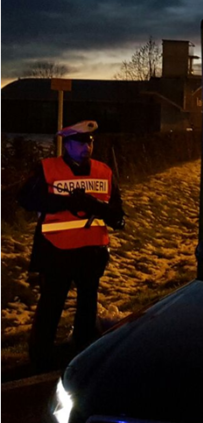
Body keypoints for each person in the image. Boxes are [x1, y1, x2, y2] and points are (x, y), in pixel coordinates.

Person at [17, 120, 125, 372]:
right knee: (51, 306)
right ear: (67, 144)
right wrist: (63, 202)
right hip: (57, 251)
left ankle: (84, 352)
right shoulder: (47, 168)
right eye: (80, 142)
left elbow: (118, 216)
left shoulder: (103, 171)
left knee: (87, 306)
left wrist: (94, 207)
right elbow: (26, 199)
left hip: (92, 251)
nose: (86, 147)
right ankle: (41, 359)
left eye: (89, 142)